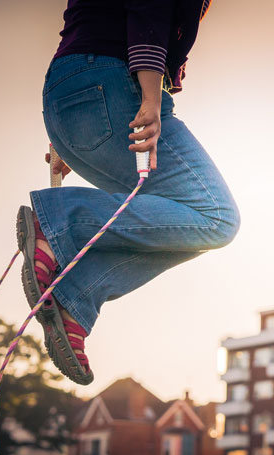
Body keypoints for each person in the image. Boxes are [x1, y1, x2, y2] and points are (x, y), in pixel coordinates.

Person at [16, 0, 239, 385]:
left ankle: (76, 299)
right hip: (111, 85)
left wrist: (70, 138)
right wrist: (151, 99)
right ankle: (61, 223)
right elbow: (148, 8)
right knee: (215, 216)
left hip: (72, 95)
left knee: (183, 224)